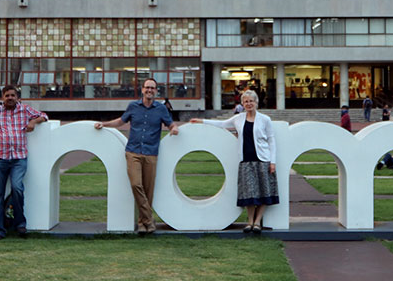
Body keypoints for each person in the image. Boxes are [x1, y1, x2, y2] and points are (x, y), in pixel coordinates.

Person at [95, 78, 178, 234]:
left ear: (156, 91)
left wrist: (174, 128)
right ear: (142, 89)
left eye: (152, 88)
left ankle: (142, 223)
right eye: (147, 87)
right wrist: (104, 124)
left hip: (151, 153)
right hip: (133, 152)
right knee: (136, 185)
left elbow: (170, 123)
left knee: (148, 189)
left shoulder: (161, 109)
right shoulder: (133, 106)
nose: (149, 90)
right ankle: (149, 220)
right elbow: (121, 121)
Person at [190, 89, 278, 233]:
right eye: (246, 101)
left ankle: (257, 222)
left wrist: (272, 161)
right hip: (246, 161)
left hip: (263, 160)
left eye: (251, 101)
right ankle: (249, 222)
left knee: (264, 192)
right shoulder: (238, 118)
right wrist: (201, 121)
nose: (249, 104)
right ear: (242, 104)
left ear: (256, 102)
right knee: (249, 194)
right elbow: (222, 124)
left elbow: (271, 140)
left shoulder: (265, 119)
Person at [0, 85, 48, 240]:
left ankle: (20, 224)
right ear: (2, 98)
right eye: (7, 95)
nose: (10, 98)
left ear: (17, 97)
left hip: (18, 158)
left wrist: (34, 122)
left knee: (17, 188)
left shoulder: (25, 109)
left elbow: (44, 116)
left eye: (13, 95)